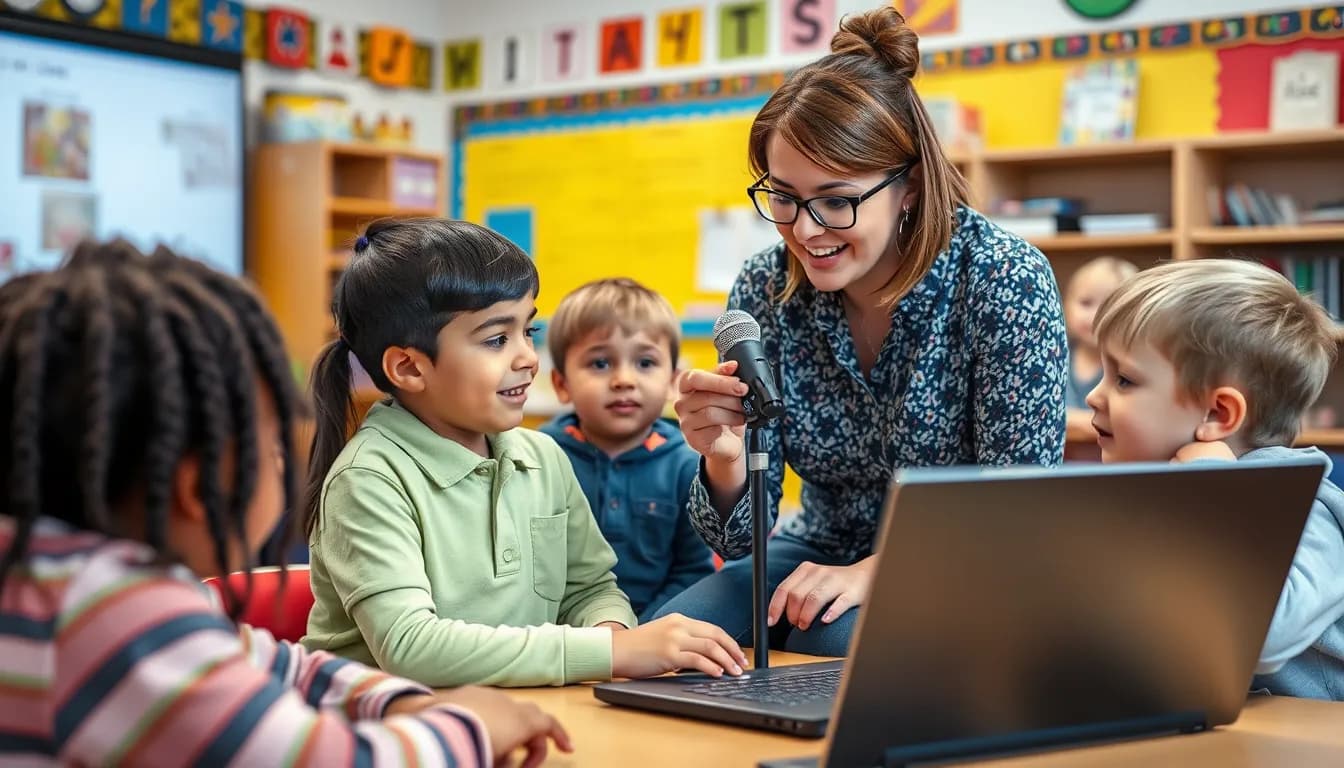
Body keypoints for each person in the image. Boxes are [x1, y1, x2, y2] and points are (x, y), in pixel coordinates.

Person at [0, 240, 570, 766]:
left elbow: (279, 663)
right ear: (200, 489)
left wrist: (394, 702)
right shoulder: (111, 617)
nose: (283, 460)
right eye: (272, 446)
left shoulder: (63, 582)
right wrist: (467, 727)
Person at [654, 5, 1067, 657]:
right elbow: (740, 542)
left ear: (908, 187)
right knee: (667, 643)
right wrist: (727, 460)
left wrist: (873, 574)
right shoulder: (766, 286)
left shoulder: (1002, 278)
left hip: (968, 568)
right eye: (783, 196)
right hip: (813, 550)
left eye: (837, 199)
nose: (806, 230)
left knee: (834, 643)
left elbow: (1018, 511)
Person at [300, 218, 747, 688]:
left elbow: (590, 589)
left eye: (527, 332)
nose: (529, 359)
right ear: (410, 367)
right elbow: (411, 647)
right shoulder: (368, 479)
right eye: (497, 339)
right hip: (390, 731)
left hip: (519, 710)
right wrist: (610, 653)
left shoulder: (544, 456)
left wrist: (611, 632)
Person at [1085, 258, 1344, 700]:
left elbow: (1260, 636)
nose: (1093, 395)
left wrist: (1209, 489)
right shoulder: (1157, 499)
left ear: (1217, 414)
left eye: (1124, 380)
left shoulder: (1307, 511)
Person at [539, 278, 715, 621]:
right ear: (561, 384)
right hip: (562, 634)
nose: (624, 380)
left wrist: (641, 633)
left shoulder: (688, 465)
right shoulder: (541, 458)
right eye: (600, 364)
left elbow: (693, 572)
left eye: (645, 363)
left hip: (656, 625)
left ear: (671, 382)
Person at [1062, 256, 1137, 438]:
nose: (1096, 315)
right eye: (1086, 303)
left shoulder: (1132, 366)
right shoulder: (1055, 355)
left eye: (1109, 305)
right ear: (1065, 305)